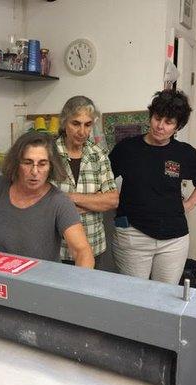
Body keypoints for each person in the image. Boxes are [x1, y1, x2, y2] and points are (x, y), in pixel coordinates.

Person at [108, 89, 196, 284]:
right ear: (151, 116)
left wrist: (191, 203)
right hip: (133, 236)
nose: (160, 126)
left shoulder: (183, 153)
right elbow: (104, 179)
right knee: (134, 298)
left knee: (165, 298)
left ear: (177, 127)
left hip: (174, 240)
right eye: (157, 118)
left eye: (169, 122)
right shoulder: (127, 148)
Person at [0, 131, 94, 268]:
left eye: (42, 164)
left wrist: (79, 285)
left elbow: (82, 251)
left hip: (39, 285)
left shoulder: (59, 202)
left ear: (51, 166)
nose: (34, 171)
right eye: (27, 162)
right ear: (16, 164)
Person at [53, 96, 118, 266]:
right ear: (64, 123)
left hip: (93, 246)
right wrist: (94, 199)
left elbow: (112, 200)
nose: (82, 131)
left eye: (87, 124)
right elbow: (43, 202)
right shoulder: (48, 153)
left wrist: (70, 198)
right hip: (56, 248)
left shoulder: (99, 154)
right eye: (76, 123)